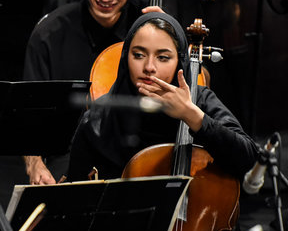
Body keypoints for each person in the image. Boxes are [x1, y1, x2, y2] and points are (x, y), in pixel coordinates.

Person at [22, 0, 160, 185]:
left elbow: (196, 88)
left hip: (135, 163)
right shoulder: (49, 34)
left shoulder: (150, 30)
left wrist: (170, 45)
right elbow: (29, 116)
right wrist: (35, 164)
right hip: (67, 163)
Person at [67, 11, 257, 182]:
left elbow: (249, 161)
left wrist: (192, 116)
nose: (149, 67)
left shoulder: (199, 101)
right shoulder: (99, 115)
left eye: (163, 58)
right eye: (139, 55)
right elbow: (75, 188)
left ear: (180, 62)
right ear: (126, 57)